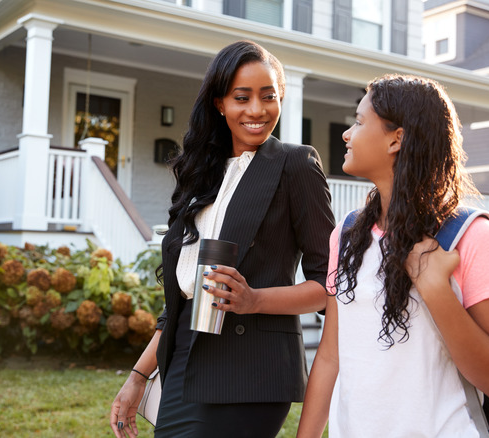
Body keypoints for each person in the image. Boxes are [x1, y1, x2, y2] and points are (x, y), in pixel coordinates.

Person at [109, 40, 335, 437]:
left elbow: (329, 285)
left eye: (269, 97)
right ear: (219, 103)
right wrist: (139, 375)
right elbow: (183, 297)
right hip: (183, 360)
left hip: (250, 370)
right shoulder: (201, 174)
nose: (257, 110)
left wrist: (255, 299)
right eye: (241, 97)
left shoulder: (294, 165)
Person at [296, 74, 489, 437]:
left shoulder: (472, 237)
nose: (346, 133)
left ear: (396, 139)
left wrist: (436, 291)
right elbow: (330, 356)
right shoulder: (348, 234)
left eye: (358, 121)